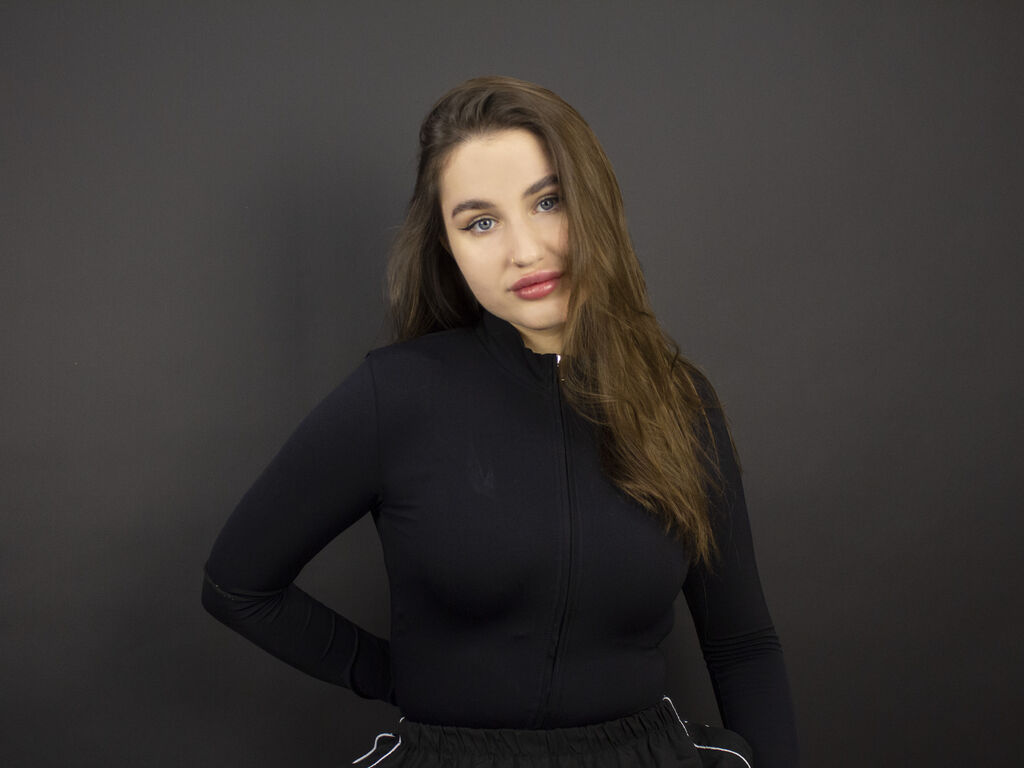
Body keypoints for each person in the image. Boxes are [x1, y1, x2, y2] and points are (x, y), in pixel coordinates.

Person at [202, 75, 799, 767]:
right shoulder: (397, 394)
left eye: (548, 202)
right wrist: (401, 678)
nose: (526, 250)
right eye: (480, 222)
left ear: (594, 203)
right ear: (447, 246)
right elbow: (237, 584)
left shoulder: (680, 402)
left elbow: (743, 644)